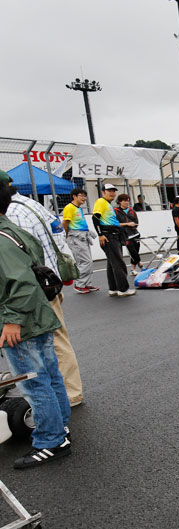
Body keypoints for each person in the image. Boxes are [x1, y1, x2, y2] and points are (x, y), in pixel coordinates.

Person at [0, 169, 73, 468]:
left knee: (34, 384)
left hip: (23, 324)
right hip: (39, 317)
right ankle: (60, 428)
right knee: (50, 376)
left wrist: (12, 321)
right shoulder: (13, 229)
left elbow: (22, 284)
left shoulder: (1, 239)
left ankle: (51, 440)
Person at [6, 184, 86, 407]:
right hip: (50, 281)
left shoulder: (12, 213)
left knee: (47, 344)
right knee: (56, 340)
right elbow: (59, 235)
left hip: (35, 288)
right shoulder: (32, 205)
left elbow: (20, 259)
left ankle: (66, 395)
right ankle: (67, 393)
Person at [91, 183, 134, 297]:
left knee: (112, 263)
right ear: (103, 192)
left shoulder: (107, 204)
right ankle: (123, 289)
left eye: (113, 191)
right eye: (109, 191)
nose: (112, 193)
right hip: (109, 235)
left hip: (113, 234)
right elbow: (95, 218)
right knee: (118, 263)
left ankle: (113, 288)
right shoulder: (101, 201)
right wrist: (100, 234)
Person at [62, 188, 99, 294]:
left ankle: (86, 283)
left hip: (83, 237)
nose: (84, 198)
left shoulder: (78, 208)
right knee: (84, 262)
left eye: (84, 196)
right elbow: (65, 223)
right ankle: (79, 284)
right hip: (76, 238)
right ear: (74, 196)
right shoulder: (69, 207)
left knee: (88, 261)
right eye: (81, 195)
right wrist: (68, 236)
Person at [115, 194, 142, 274]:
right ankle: (140, 264)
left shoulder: (132, 210)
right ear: (120, 202)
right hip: (125, 235)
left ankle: (133, 269)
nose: (127, 202)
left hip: (135, 234)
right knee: (132, 251)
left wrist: (134, 225)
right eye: (125, 201)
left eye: (128, 201)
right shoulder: (115, 211)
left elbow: (136, 222)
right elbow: (115, 223)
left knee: (136, 251)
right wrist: (127, 224)